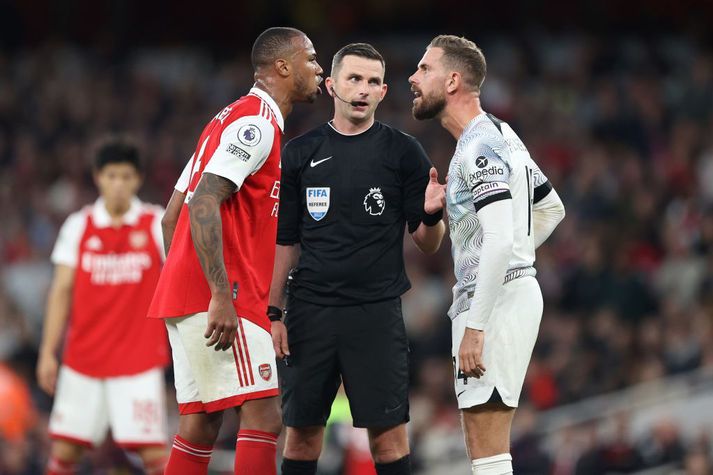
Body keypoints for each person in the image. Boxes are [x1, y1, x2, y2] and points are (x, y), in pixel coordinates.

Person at [147, 27, 323, 475]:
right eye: (311, 59)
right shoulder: (256, 125)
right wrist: (219, 294)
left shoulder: (223, 122)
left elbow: (172, 217)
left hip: (188, 294)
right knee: (264, 417)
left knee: (201, 426)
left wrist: (189, 282)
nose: (319, 68)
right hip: (225, 296)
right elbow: (205, 200)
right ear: (283, 67)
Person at [269, 43, 446, 475]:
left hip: (375, 312)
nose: (362, 89)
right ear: (331, 85)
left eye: (371, 82)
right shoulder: (298, 153)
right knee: (302, 436)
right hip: (311, 310)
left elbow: (428, 243)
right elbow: (285, 241)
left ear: (383, 92)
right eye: (353, 79)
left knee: (388, 441)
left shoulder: (403, 152)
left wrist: (433, 213)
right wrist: (273, 311)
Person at [409, 35, 566, 475]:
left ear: (453, 80)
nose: (413, 77)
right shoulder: (500, 135)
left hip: (494, 304)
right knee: (485, 441)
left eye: (424, 69)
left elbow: (500, 239)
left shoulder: (479, 147)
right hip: (501, 294)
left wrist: (477, 324)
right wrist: (512, 258)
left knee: (488, 442)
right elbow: (551, 208)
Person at [37, 138, 170, 475]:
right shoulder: (78, 226)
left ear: (138, 179)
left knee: (156, 454)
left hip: (138, 360)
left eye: (126, 177)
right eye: (111, 176)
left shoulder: (156, 223)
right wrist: (47, 352)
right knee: (64, 452)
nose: (118, 185)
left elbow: (179, 279)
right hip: (84, 360)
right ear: (98, 177)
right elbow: (61, 291)